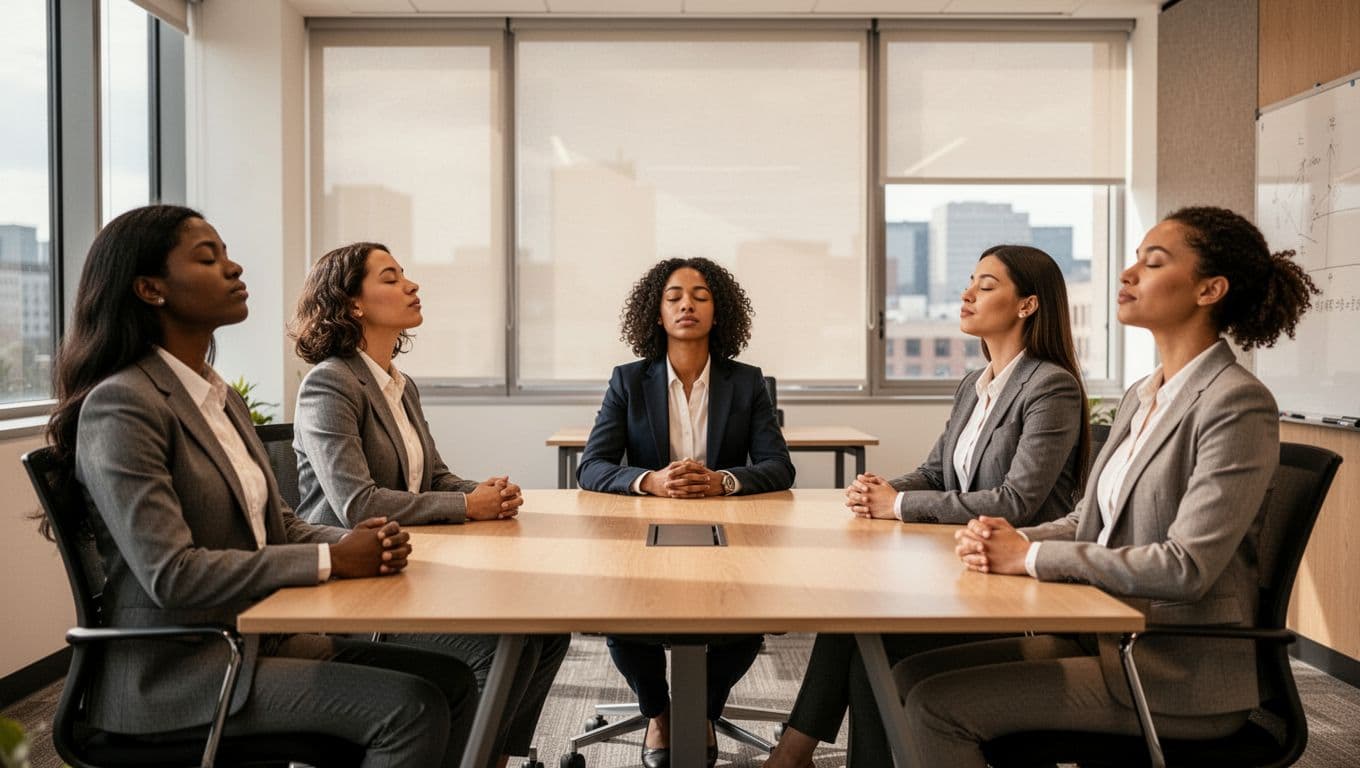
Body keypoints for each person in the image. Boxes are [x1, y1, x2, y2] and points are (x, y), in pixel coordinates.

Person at [48, 205, 477, 766]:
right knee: (412, 707)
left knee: (451, 679)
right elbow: (172, 576)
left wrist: (354, 546)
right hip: (183, 674)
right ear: (151, 289)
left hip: (262, 640)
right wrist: (332, 562)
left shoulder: (217, 396)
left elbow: (282, 523)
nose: (234, 268)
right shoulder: (123, 404)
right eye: (209, 258)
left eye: (227, 253)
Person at [899, 206, 1318, 767]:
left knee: (935, 705)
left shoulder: (1235, 402)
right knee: (907, 672)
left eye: (1153, 262)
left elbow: (1185, 567)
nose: (1127, 274)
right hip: (1103, 638)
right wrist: (1006, 536)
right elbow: (1087, 520)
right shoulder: (1144, 394)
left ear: (1209, 289)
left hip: (1173, 671)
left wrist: (1030, 558)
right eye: (1134, 260)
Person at [765, 244, 1089, 768]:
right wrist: (881, 490)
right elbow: (938, 471)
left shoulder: (1050, 386)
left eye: (986, 286)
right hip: (961, 567)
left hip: (1014, 586)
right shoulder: (974, 384)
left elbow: (1018, 502)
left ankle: (792, 753)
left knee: (869, 628)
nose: (967, 294)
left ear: (1027, 304)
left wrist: (900, 506)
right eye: (970, 281)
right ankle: (795, 754)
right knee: (858, 615)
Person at [290, 241, 569, 768]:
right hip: (356, 584)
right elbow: (358, 503)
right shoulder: (330, 383)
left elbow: (433, 476)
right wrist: (468, 508)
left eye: (405, 275)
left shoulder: (398, 383)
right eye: (391, 278)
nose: (411, 285)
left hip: (407, 566)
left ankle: (491, 758)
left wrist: (481, 493)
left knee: (547, 629)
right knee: (496, 647)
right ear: (353, 304)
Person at [577, 257, 795, 768]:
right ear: (657, 313)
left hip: (728, 532)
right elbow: (592, 466)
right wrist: (649, 481)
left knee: (744, 623)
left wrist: (723, 480)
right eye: (674, 296)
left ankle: (701, 711)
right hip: (647, 531)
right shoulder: (628, 381)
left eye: (699, 295)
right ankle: (660, 714)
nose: (686, 305)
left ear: (718, 312)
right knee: (626, 621)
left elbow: (778, 467)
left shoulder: (746, 382)